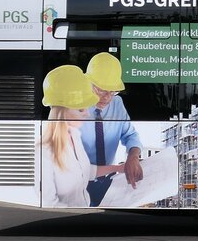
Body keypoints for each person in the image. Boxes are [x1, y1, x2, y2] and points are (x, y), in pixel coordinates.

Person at [40, 65, 125, 207]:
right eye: (80, 109)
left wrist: (117, 168)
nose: (87, 113)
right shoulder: (44, 153)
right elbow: (49, 205)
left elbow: (85, 171)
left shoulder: (74, 136)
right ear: (61, 112)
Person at [79, 53, 144, 206]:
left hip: (108, 180)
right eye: (101, 90)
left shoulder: (117, 103)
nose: (107, 97)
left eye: (112, 91)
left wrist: (133, 157)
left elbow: (131, 135)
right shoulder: (75, 106)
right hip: (79, 181)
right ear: (88, 83)